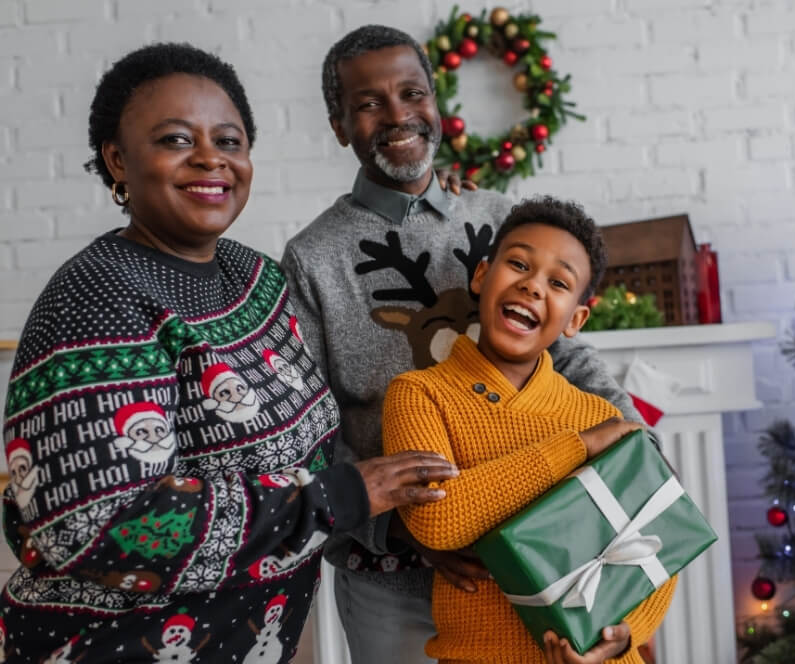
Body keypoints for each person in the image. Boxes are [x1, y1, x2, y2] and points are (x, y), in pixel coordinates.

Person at [0, 42, 458, 662]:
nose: (211, 159)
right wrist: (335, 497)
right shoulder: (97, 297)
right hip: (112, 647)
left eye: (230, 140)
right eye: (175, 140)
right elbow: (91, 523)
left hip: (249, 639)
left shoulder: (257, 278)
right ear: (117, 161)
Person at [281, 24, 647, 664]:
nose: (398, 115)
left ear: (437, 105)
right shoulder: (312, 258)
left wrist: (633, 443)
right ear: (339, 125)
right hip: (391, 570)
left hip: (530, 546)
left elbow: (565, 355)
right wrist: (403, 526)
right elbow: (308, 430)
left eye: (412, 93)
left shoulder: (496, 217)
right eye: (368, 103)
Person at [382, 196, 676, 664]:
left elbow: (660, 542)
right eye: (518, 263)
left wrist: (625, 635)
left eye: (558, 282)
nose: (533, 286)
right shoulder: (419, 394)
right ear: (482, 276)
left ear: (576, 318)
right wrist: (575, 449)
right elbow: (437, 518)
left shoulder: (596, 413)